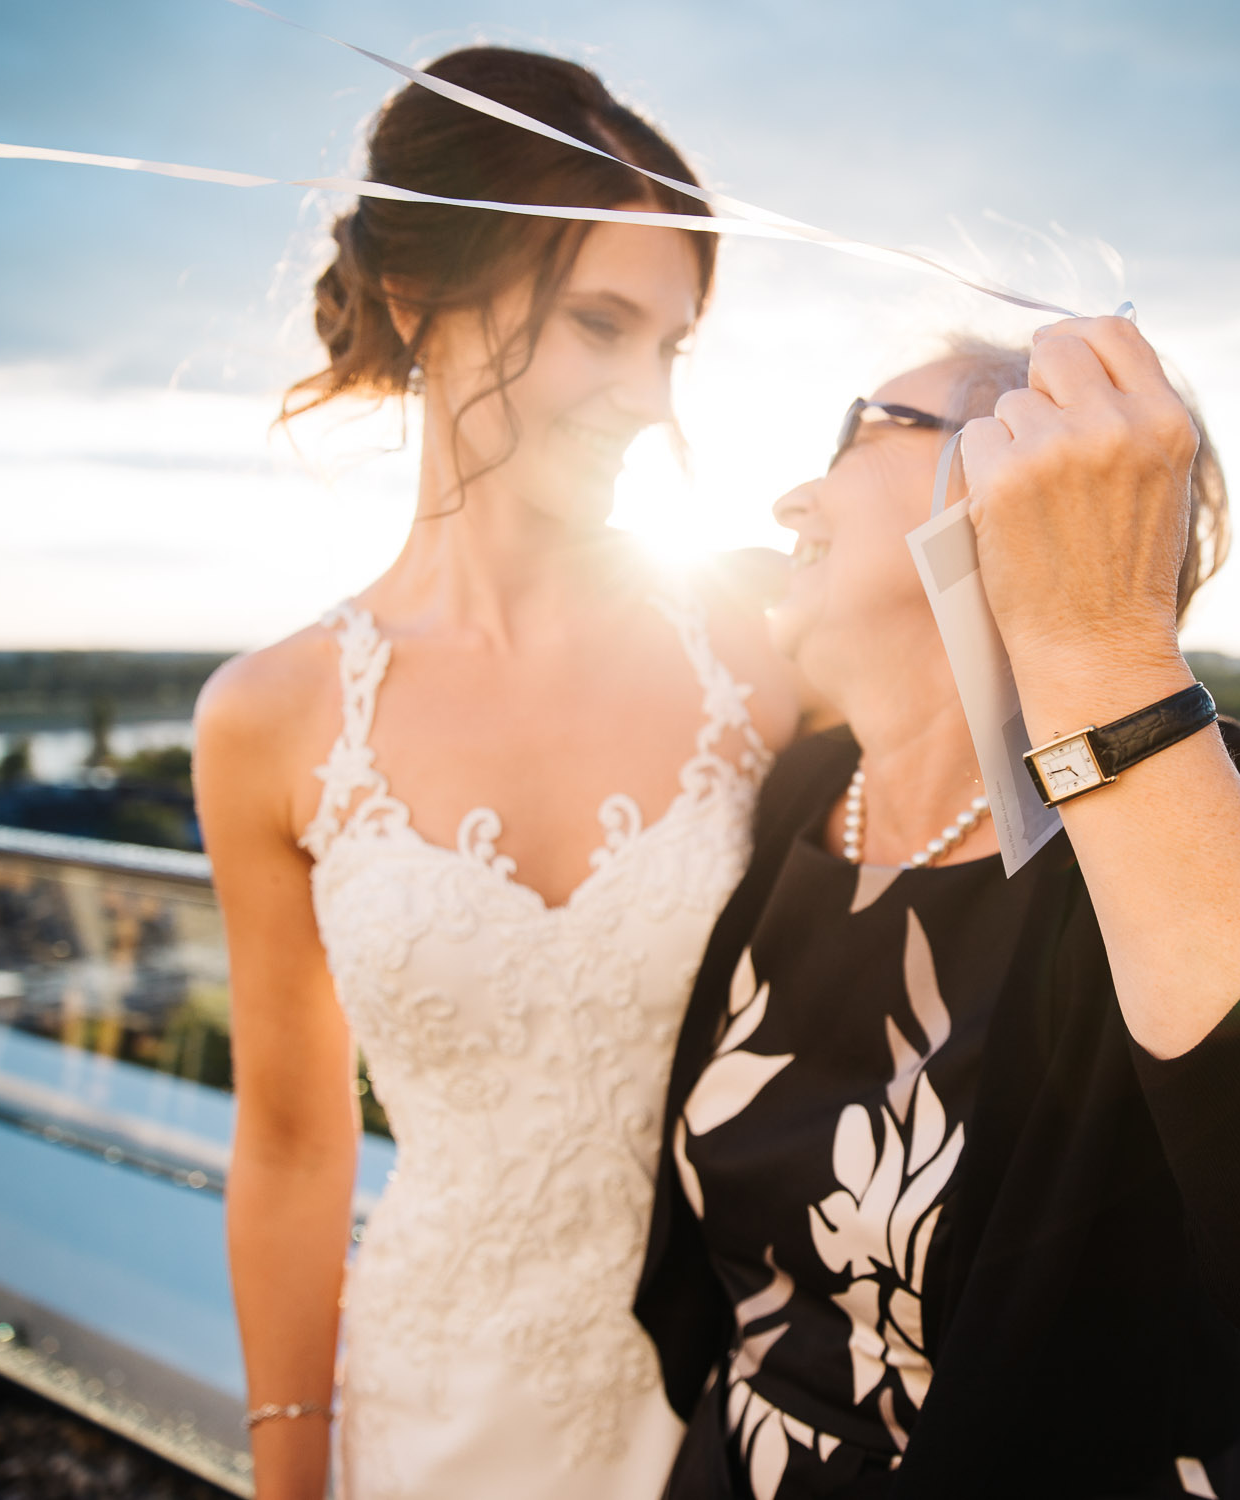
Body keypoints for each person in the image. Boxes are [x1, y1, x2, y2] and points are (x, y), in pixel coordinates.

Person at [636, 320, 1240, 1499]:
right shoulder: (801, 796)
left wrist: (1102, 648)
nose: (790, 498)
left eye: (855, 431)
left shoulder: (1195, 817)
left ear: (1003, 481)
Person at [192, 49, 801, 1500]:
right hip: (429, 1407)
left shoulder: (757, 659)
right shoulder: (269, 719)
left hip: (729, 1404)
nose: (646, 396)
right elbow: (290, 1139)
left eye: (670, 346)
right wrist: (292, 1469)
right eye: (600, 324)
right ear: (419, 302)